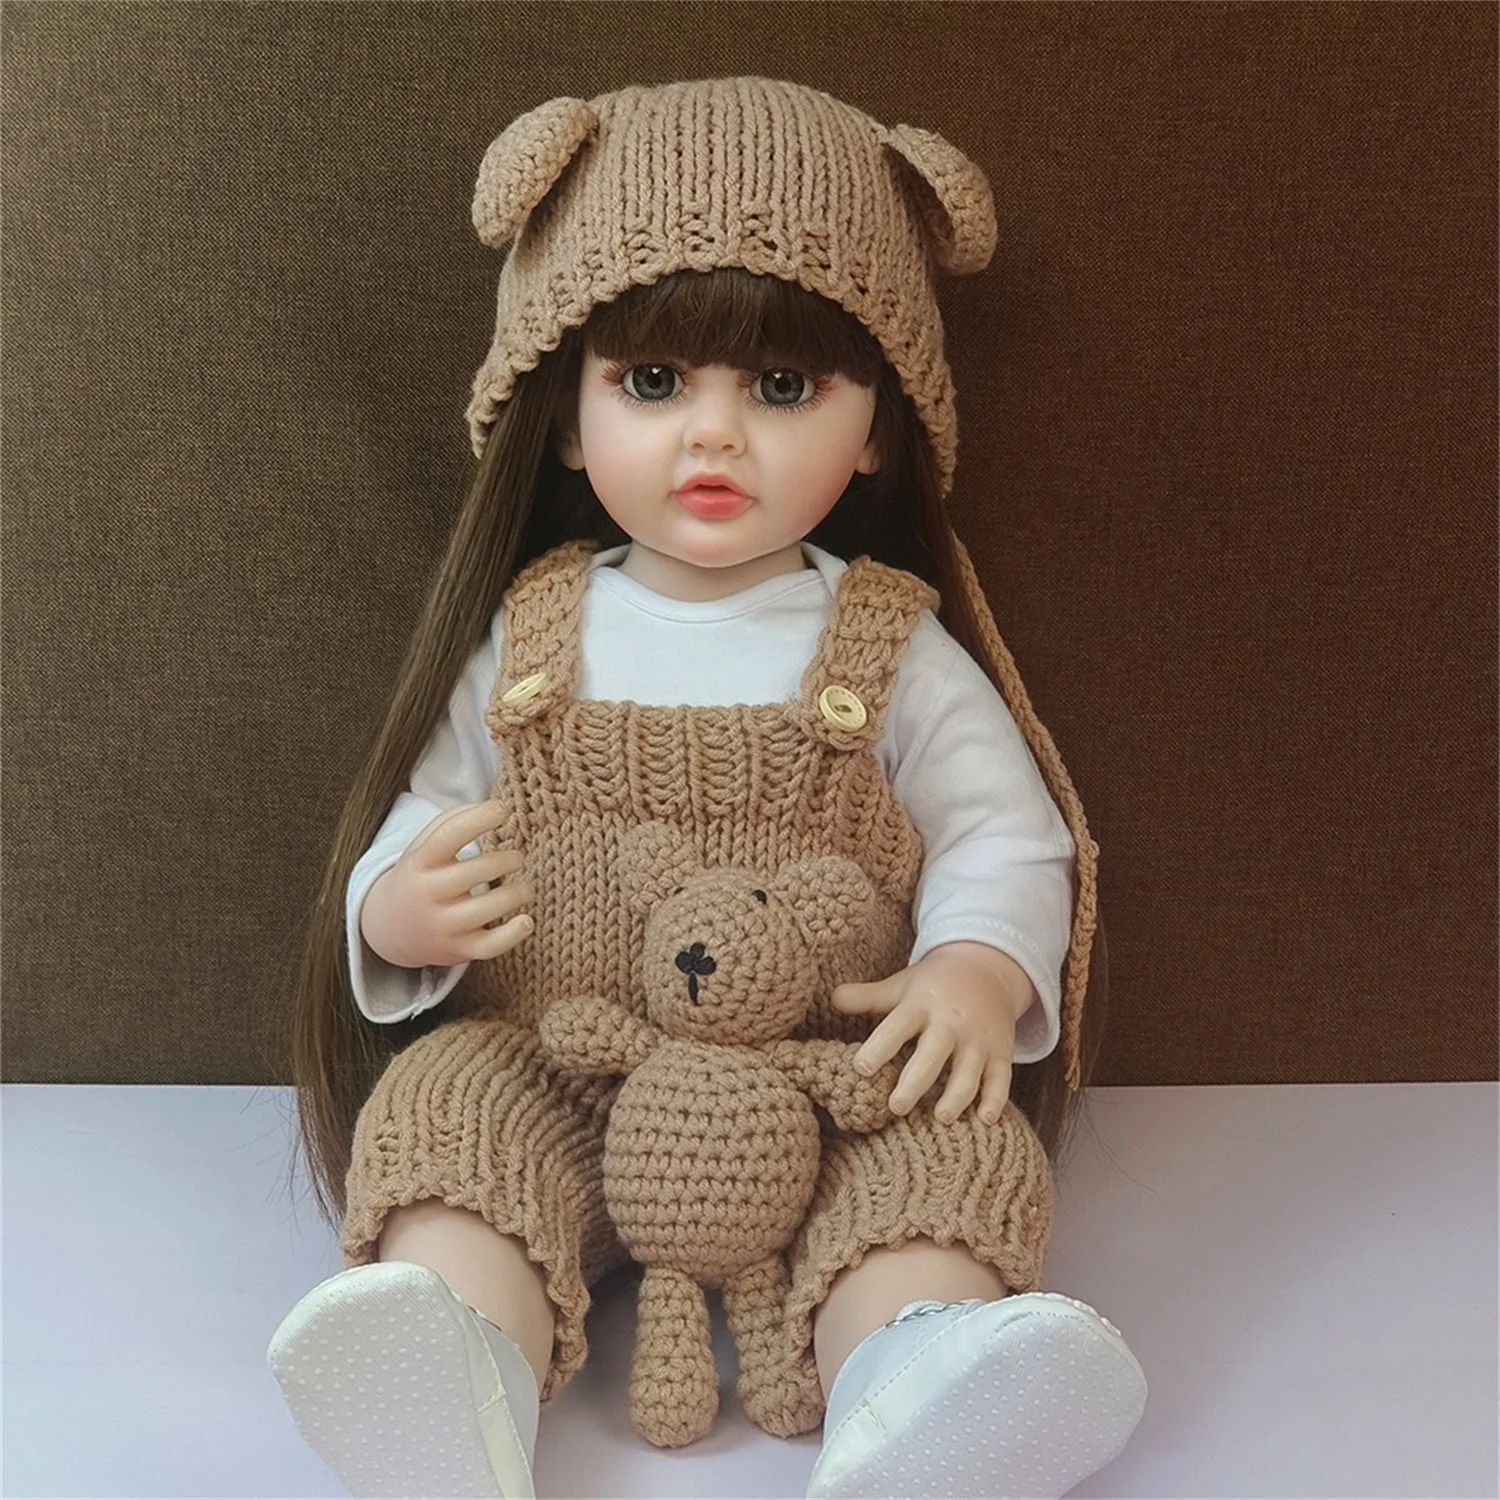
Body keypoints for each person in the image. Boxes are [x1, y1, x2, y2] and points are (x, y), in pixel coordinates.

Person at [268, 76, 1146, 1499]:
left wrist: (977, 971)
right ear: (567, 414)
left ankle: (918, 1379)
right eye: (654, 383)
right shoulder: (531, 636)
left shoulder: (890, 643)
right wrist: (397, 911)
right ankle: (452, 1371)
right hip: (559, 1059)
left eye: (783, 388)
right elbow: (431, 810)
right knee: (448, 1126)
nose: (715, 434)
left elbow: (1003, 833)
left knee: (942, 1166)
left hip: (837, 1078)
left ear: (878, 427)